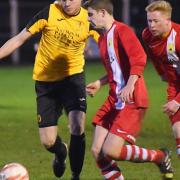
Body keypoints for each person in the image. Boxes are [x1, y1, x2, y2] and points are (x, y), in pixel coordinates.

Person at [0, 0, 99, 179]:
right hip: (46, 82)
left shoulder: (89, 19)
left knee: (77, 125)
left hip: (73, 79)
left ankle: (75, 175)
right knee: (48, 141)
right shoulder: (50, 12)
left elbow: (110, 45)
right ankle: (61, 154)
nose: (67, 2)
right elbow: (20, 38)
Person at [86, 0, 174, 179]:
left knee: (110, 150)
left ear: (102, 12)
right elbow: (116, 70)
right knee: (97, 150)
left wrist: (130, 84)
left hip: (132, 99)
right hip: (114, 99)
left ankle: (159, 156)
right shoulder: (103, 38)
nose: (89, 19)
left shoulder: (122, 30)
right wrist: (100, 83)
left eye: (91, 14)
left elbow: (139, 57)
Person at [142, 0, 180, 159]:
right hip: (174, 83)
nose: (152, 25)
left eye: (156, 21)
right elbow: (154, 56)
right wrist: (161, 73)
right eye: (149, 21)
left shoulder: (178, 39)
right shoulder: (147, 35)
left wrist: (177, 101)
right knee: (177, 129)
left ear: (167, 21)